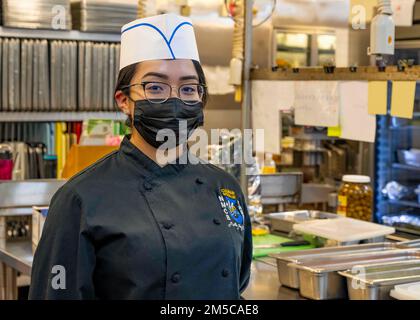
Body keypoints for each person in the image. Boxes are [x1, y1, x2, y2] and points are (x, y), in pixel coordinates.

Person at [29, 13, 252, 300]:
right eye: (155, 87)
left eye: (188, 88)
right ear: (124, 100)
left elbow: (237, 284)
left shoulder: (225, 187)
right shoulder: (79, 200)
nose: (174, 100)